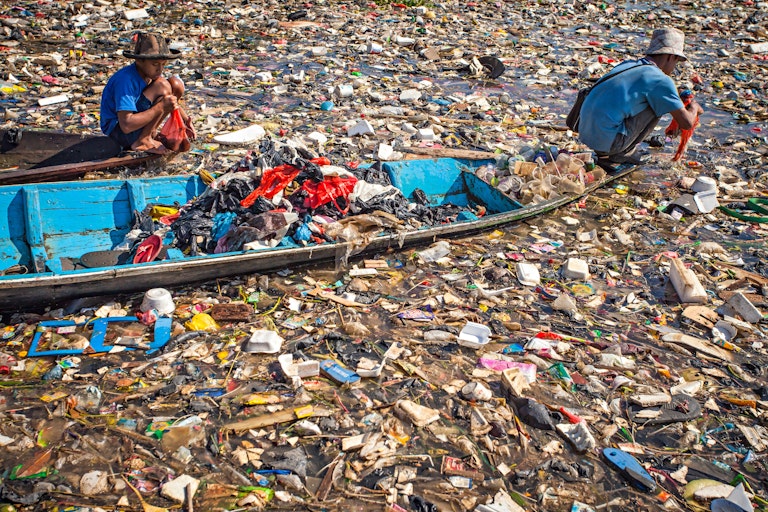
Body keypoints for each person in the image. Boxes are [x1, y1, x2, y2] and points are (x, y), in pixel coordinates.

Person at [577, 27, 703, 166]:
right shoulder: (660, 80)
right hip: (608, 143)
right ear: (670, 57)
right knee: (657, 105)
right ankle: (621, 154)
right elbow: (686, 123)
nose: (674, 67)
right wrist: (694, 107)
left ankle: (614, 149)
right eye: (676, 61)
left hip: (586, 135)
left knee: (656, 99)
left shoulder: (628, 65)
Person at [100, 32, 195, 154]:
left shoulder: (148, 74)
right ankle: (142, 140)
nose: (159, 69)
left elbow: (171, 99)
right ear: (139, 61)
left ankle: (148, 134)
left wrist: (186, 121)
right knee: (162, 86)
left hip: (133, 127)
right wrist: (160, 107)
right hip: (119, 133)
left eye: (163, 64)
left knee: (175, 85)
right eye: (155, 64)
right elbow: (126, 125)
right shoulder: (126, 80)